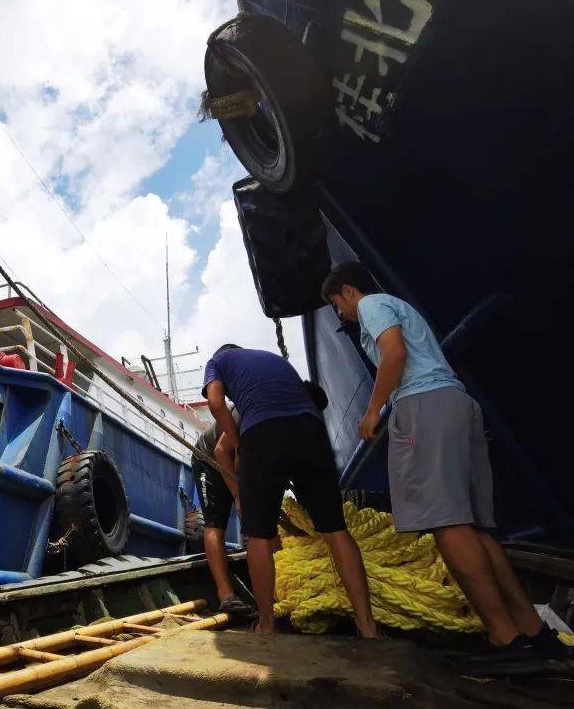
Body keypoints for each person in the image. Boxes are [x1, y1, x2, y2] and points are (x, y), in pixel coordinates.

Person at [321, 261, 568, 659]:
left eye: (337, 304)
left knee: (445, 522)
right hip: (456, 404)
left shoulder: (372, 306)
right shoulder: (400, 305)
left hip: (423, 407)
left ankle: (503, 637)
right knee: (475, 527)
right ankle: (532, 629)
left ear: (348, 291)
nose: (341, 314)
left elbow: (394, 352)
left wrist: (372, 411)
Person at [203, 344, 379, 637]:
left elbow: (216, 403)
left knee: (258, 535)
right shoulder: (272, 358)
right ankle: (368, 626)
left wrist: (238, 442)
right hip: (309, 430)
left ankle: (268, 625)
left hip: (261, 433)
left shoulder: (218, 359)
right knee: (335, 528)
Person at [190, 408, 256, 621]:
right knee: (215, 522)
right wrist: (237, 495)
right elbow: (220, 450)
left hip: (237, 462)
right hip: (208, 460)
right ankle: (226, 594)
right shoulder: (251, 409)